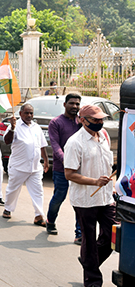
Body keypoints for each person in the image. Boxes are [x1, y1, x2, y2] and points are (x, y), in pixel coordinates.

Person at [64, 104, 115, 287]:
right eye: (95, 120)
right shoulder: (75, 142)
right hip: (85, 200)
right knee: (89, 240)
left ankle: (87, 260)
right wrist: (95, 182)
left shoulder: (104, 136)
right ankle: (93, 281)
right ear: (82, 120)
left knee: (111, 236)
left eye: (101, 119)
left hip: (106, 197)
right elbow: (69, 174)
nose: (100, 122)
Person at [2, 104, 49, 225]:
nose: (29, 115)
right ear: (20, 113)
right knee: (13, 189)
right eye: (27, 113)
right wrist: (12, 128)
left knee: (38, 191)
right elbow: (7, 141)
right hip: (19, 166)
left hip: (35, 167)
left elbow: (42, 145)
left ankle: (39, 216)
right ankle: (8, 208)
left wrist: (46, 160)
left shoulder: (36, 127)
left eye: (31, 113)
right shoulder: (15, 126)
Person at [46, 93, 83, 243]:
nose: (74, 106)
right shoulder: (55, 123)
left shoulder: (81, 122)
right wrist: (67, 162)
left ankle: (79, 233)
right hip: (62, 169)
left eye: (77, 104)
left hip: (80, 170)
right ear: (65, 104)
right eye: (72, 103)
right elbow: (55, 146)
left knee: (80, 200)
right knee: (59, 197)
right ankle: (50, 220)